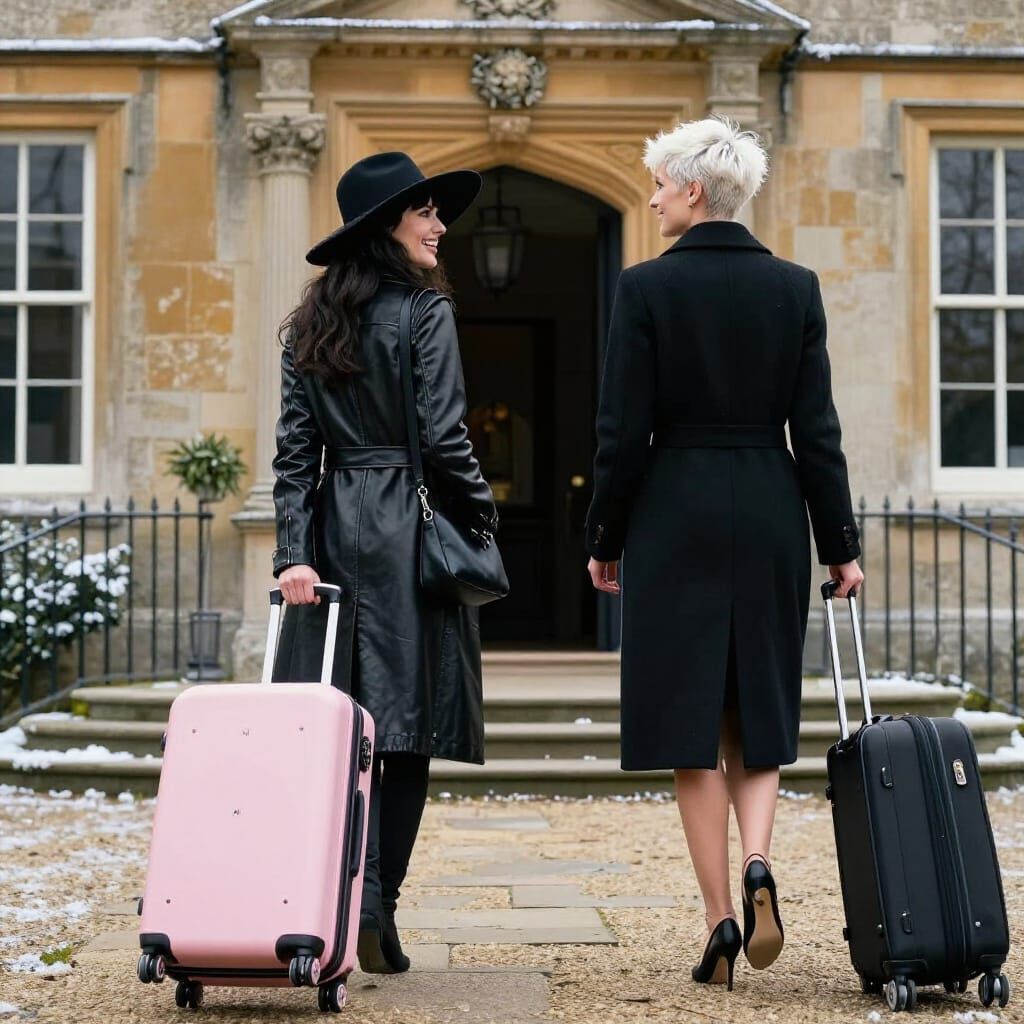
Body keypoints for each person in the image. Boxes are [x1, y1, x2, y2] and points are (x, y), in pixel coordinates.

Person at [584, 117, 864, 993]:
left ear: (694, 191)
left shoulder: (644, 288)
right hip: (771, 506)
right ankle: (758, 859)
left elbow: (621, 431)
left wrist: (604, 537)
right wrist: (840, 545)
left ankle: (717, 919)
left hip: (677, 509)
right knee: (758, 703)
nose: (653, 198)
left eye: (661, 184)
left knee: (690, 724)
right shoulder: (795, 287)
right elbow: (817, 431)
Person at [270, 151, 498, 974]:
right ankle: (378, 906)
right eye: (425, 212)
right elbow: (445, 436)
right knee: (407, 731)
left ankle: (343, 900)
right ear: (384, 227)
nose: (440, 226)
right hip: (408, 533)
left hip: (335, 531)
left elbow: (294, 456)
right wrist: (481, 515)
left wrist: (294, 554)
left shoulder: (310, 323)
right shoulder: (425, 312)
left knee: (339, 731)